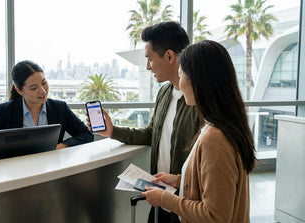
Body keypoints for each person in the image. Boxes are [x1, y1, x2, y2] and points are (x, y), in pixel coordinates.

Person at [88, 21, 198, 223]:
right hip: (161, 196)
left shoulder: (199, 100)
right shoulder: (165, 92)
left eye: (149, 59)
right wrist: (113, 131)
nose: (148, 66)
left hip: (186, 203)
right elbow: (151, 134)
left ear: (170, 56)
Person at [141, 40, 256, 223]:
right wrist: (180, 180)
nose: (179, 81)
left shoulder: (215, 138)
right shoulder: (223, 126)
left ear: (198, 80)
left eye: (181, 74)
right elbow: (218, 186)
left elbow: (215, 216)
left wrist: (164, 199)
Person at [0, 60, 94, 149]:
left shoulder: (60, 108)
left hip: (52, 168)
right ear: (19, 90)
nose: (43, 91)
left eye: (44, 83)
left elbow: (86, 135)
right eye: (33, 88)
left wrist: (61, 146)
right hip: (17, 170)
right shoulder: (4, 111)